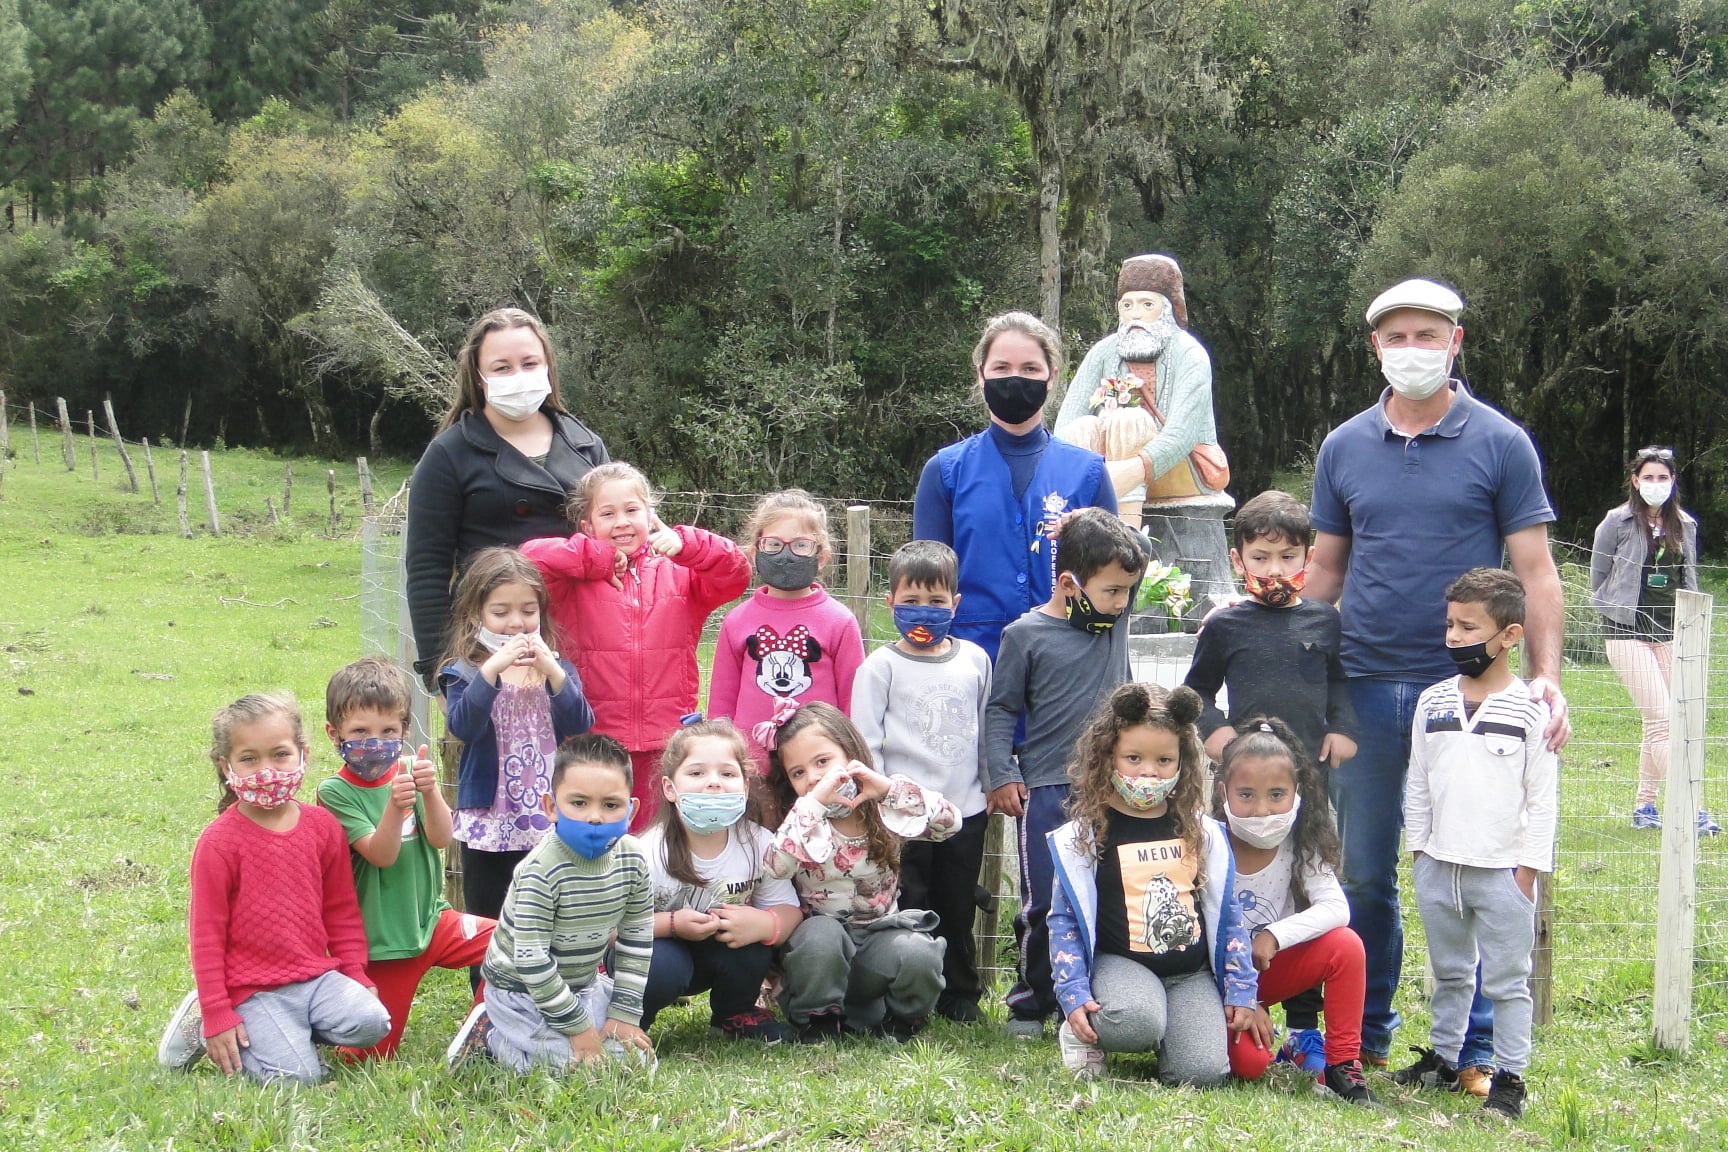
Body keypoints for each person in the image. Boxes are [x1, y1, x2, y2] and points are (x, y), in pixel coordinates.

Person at [1306, 277, 1568, 1088]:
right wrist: (1276, 647)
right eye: (1397, 337)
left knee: (1480, 868)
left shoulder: (1501, 442)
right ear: (1375, 347)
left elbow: (1536, 572)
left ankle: (1479, 1048)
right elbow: (1324, 569)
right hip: (1369, 687)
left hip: (1467, 692)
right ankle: (1368, 1032)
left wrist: (1544, 678)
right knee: (1364, 872)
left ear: (1456, 343)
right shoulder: (1344, 446)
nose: (1411, 350)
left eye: (1428, 335)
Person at [157, 694, 390, 1084]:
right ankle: (201, 1021)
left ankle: (285, 1033)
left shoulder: (322, 827)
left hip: (315, 979)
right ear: (225, 765)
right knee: (297, 1079)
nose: (266, 770)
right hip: (252, 990)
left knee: (372, 1021)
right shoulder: (219, 843)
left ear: (303, 754)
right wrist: (217, 1012)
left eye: (280, 754)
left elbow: (341, 911)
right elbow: (206, 935)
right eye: (249, 758)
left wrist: (355, 974)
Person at [985, 508, 1151, 1037]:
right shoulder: (1024, 635)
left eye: (1128, 591)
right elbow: (1000, 710)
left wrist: (1090, 518)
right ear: (1067, 584)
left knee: (1107, 896)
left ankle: (1089, 996)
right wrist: (1000, 772)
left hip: (1115, 789)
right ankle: (1032, 1001)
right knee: (1044, 901)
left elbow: (1137, 554)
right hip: (1048, 788)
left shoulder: (1113, 620)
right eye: (1111, 592)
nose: (1123, 602)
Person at [1401, 569, 1557, 1121]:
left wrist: (1527, 872)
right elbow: (1418, 780)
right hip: (1439, 867)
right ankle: (1443, 1059)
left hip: (1502, 874)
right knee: (1449, 971)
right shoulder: (1433, 702)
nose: (1455, 637)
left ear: (1510, 636)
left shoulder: (1530, 711)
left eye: (1469, 627)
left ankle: (1510, 1077)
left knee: (1508, 982)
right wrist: (1421, 852)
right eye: (1449, 624)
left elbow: (1541, 799)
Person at [1046, 683, 1259, 1085]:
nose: (1148, 771)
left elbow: (1228, 915)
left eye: (1164, 760)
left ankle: (1172, 1034)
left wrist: (1241, 986)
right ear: (1107, 756)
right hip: (1121, 964)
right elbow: (1064, 921)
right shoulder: (1085, 835)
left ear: (1183, 761)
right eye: (1133, 758)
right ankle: (1085, 1034)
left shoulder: (1202, 832)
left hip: (1190, 974)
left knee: (1203, 1074)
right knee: (1135, 1021)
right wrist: (1072, 992)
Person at [522, 462, 751, 830]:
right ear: (587, 526)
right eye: (607, 513)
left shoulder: (679, 574)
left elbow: (735, 573)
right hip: (594, 739)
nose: (622, 522)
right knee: (597, 839)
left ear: (651, 514)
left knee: (659, 846)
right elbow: (530, 559)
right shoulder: (572, 582)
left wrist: (687, 545)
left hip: (666, 741)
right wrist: (596, 559)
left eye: (632, 510)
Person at [406, 307, 609, 690]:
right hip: (488, 654)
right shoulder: (449, 454)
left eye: (530, 363)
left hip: (583, 648)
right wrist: (441, 676)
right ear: (479, 378)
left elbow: (617, 544)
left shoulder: (587, 445)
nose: (519, 376)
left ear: (548, 365)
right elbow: (427, 571)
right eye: (502, 368)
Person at [315, 657, 494, 1061]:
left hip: (434, 920)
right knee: (367, 1054)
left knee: (510, 943)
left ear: (405, 730)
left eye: (387, 731)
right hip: (386, 944)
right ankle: (319, 1019)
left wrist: (430, 792)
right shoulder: (335, 793)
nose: (374, 742)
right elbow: (381, 854)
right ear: (334, 733)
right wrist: (396, 807)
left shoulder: (413, 769)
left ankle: (480, 1030)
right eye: (360, 731)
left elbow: (442, 837)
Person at [446, 734, 656, 1073]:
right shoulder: (540, 871)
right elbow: (531, 961)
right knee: (577, 1069)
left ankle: (551, 1037)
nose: (595, 817)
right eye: (579, 803)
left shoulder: (633, 860)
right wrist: (580, 1029)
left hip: (581, 986)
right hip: (520, 993)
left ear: (631, 810)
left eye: (610, 805)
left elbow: (636, 939)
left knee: (636, 1062)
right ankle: (489, 1036)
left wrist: (624, 1016)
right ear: (551, 807)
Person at [914, 311, 1116, 661]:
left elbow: (1116, 575)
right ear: (981, 375)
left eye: (1029, 369)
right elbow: (923, 581)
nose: (1015, 379)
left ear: (1051, 377)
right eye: (1002, 368)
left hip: (1065, 659)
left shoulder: (1089, 472)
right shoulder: (945, 472)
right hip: (971, 660)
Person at [852, 540, 995, 1023]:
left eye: (936, 602)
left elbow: (985, 729)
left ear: (956, 603)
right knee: (908, 900)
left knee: (957, 903)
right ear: (889, 602)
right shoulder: (879, 668)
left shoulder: (975, 660)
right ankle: (906, 993)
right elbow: (865, 743)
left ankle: (960, 993)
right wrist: (878, 803)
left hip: (965, 812)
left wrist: (990, 786)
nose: (924, 611)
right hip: (900, 817)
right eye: (911, 601)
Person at [762, 702, 962, 1043]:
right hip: (818, 956)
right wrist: (811, 806)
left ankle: (902, 1022)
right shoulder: (801, 821)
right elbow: (776, 864)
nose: (813, 777)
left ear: (852, 754)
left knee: (918, 952)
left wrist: (888, 790)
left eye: (822, 762)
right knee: (821, 935)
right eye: (798, 772)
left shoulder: (887, 806)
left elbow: (950, 824)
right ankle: (817, 1024)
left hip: (878, 945)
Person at [1054, 254, 1235, 612]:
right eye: (1127, 305)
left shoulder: (1190, 355)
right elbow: (1064, 424)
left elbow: (1182, 435)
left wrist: (1127, 472)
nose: (1135, 314)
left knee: (1129, 421)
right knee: (1083, 426)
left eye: (1147, 304)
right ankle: (1084, 556)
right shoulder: (1104, 352)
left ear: (1167, 309)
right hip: (1110, 469)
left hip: (1181, 467)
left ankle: (1125, 555)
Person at [1212, 718, 1373, 1106]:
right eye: (1246, 794)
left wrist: (1274, 936)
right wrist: (1244, 997)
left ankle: (1341, 1064)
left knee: (1346, 946)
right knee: (1249, 1066)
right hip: (1213, 982)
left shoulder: (1301, 843)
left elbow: (1337, 909)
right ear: (1223, 793)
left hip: (1269, 970)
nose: (1262, 810)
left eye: (1277, 794)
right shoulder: (1208, 843)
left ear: (1297, 794)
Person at [439, 548, 594, 925]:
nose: (516, 623)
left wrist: (553, 671)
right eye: (501, 612)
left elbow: (580, 721)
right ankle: (485, 984)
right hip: (491, 820)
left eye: (528, 611)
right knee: (488, 921)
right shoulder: (462, 672)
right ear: (476, 615)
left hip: (547, 816)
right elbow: (465, 726)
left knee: (547, 915)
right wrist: (491, 669)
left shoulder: (557, 668)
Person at [637, 719, 803, 1043]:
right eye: (697, 773)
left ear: (745, 786)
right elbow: (612, 928)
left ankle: (735, 1014)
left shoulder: (760, 844)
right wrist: (671, 924)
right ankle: (629, 1020)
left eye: (727, 774)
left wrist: (766, 924)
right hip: (660, 951)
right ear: (670, 788)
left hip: (719, 951)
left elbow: (790, 910)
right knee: (662, 965)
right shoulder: (646, 852)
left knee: (753, 940)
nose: (714, 783)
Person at [1589, 446, 1717, 833]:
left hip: (1671, 631)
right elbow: (1599, 577)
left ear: (1673, 481)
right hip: (1626, 630)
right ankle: (1690, 807)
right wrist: (1615, 609)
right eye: (1648, 477)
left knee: (1662, 719)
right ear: (1635, 480)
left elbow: (1689, 579)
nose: (1655, 484)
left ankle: (1645, 807)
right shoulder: (1617, 521)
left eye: (1663, 477)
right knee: (1663, 718)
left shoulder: (1686, 525)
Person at [1184, 490, 1358, 770]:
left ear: (1308, 557)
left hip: (1310, 768)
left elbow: (1337, 682)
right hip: (1243, 768)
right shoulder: (1224, 625)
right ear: (1238, 561)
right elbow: (1196, 690)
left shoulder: (1325, 620)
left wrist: (1343, 728)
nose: (1275, 570)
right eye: (1260, 558)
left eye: (1288, 557)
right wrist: (1215, 729)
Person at [710, 490, 865, 766]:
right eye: (773, 545)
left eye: (801, 545)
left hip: (816, 770)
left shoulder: (839, 621)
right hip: (751, 768)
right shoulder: (736, 620)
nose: (786, 555)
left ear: (822, 555)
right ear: (755, 551)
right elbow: (721, 704)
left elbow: (854, 705)